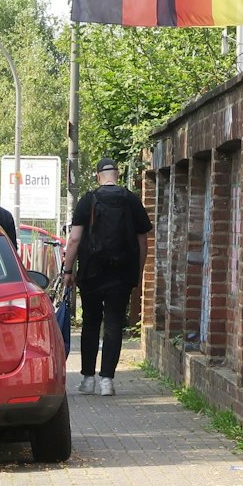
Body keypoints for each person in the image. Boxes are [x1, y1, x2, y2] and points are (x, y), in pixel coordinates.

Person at [59, 158, 153, 397]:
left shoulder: (88, 200)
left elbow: (75, 240)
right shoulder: (131, 200)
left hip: (91, 272)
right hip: (121, 273)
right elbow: (143, 241)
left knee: (91, 321)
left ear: (97, 175)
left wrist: (68, 270)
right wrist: (138, 272)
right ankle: (107, 381)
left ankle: (88, 379)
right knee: (113, 323)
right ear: (118, 174)